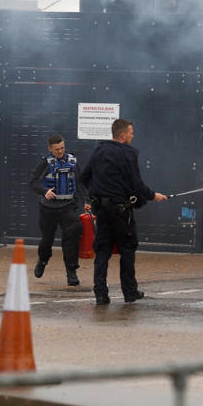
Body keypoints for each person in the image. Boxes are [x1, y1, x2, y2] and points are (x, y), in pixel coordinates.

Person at [80, 119, 168, 305]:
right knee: (127, 250)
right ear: (122, 135)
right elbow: (136, 184)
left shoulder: (99, 151)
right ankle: (130, 292)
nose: (132, 135)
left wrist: (95, 195)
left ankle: (101, 294)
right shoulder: (128, 154)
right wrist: (153, 196)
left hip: (102, 212)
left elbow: (84, 177)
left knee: (102, 251)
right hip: (122, 213)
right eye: (131, 132)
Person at [30, 134, 90, 286]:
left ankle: (71, 271)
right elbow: (33, 182)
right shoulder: (45, 163)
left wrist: (86, 201)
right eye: (57, 149)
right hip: (48, 208)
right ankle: (43, 260)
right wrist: (45, 191)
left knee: (73, 233)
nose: (60, 151)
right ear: (50, 149)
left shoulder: (72, 161)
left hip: (67, 206)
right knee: (47, 240)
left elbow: (80, 183)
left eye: (62, 148)